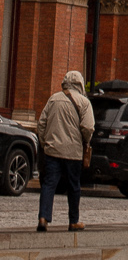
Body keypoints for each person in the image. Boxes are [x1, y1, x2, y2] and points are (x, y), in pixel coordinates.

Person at [35, 70, 93, 232]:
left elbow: (41, 124)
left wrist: (46, 142)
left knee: (49, 184)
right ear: (80, 84)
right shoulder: (84, 102)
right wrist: (85, 141)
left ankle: (43, 218)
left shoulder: (53, 99)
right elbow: (88, 127)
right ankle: (73, 221)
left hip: (52, 150)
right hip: (73, 152)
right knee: (74, 186)